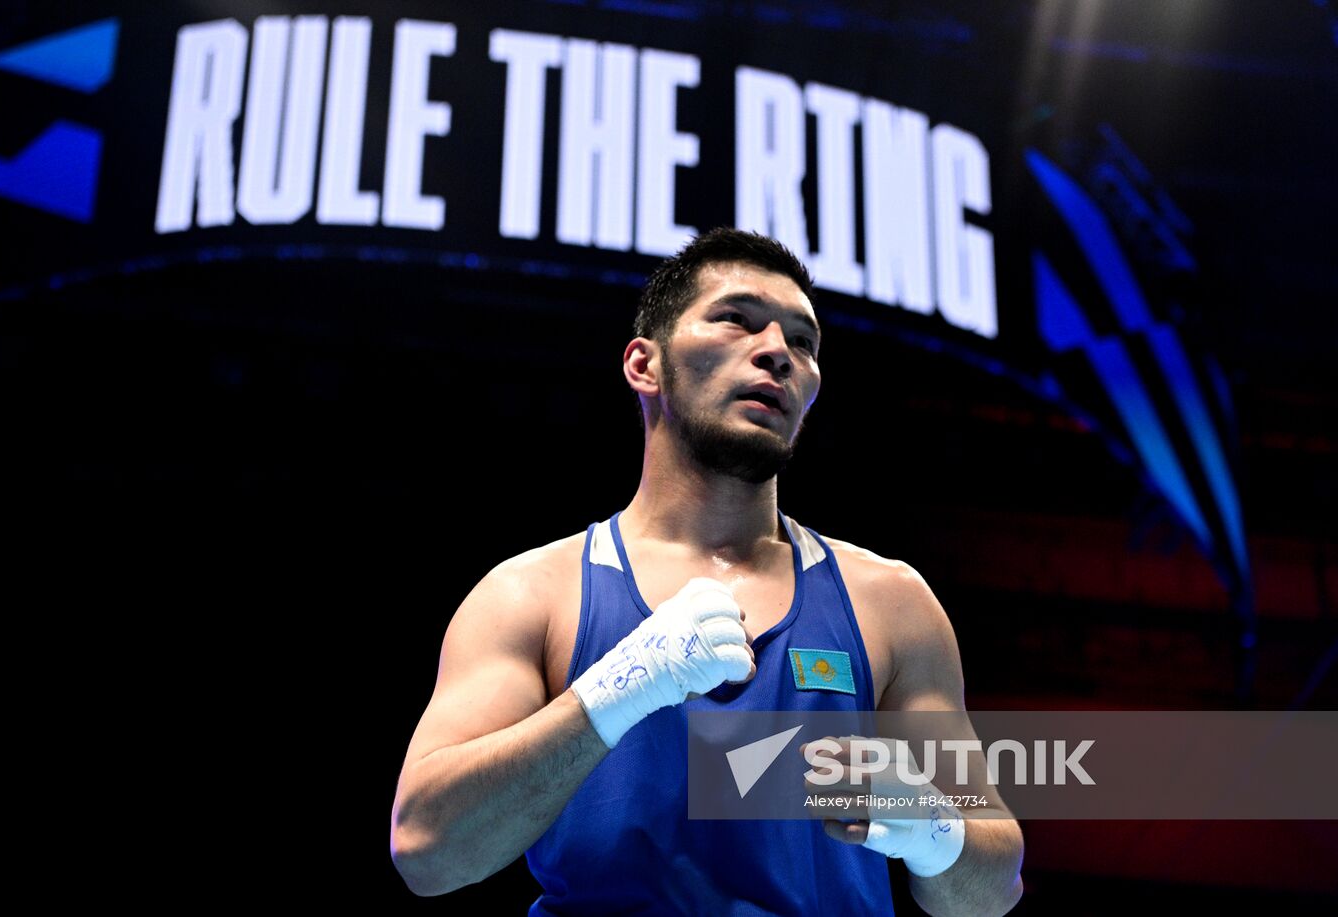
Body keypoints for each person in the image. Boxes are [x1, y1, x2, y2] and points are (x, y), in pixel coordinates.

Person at [390, 227, 1024, 915]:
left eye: (802, 341)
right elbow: (428, 847)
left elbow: (991, 891)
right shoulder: (533, 595)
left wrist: (935, 830)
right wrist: (617, 689)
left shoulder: (891, 604)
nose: (778, 352)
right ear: (645, 364)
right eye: (736, 319)